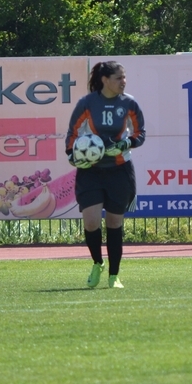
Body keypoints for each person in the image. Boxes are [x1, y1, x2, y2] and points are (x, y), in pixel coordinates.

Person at [65, 61, 146, 289]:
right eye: (118, 78)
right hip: (90, 171)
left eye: (124, 77)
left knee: (114, 222)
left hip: (120, 171)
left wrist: (125, 144)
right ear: (105, 80)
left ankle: (114, 275)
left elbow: (140, 133)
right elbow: (72, 133)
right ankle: (97, 263)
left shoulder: (129, 103)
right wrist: (72, 155)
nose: (123, 82)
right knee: (91, 222)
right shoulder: (87, 103)